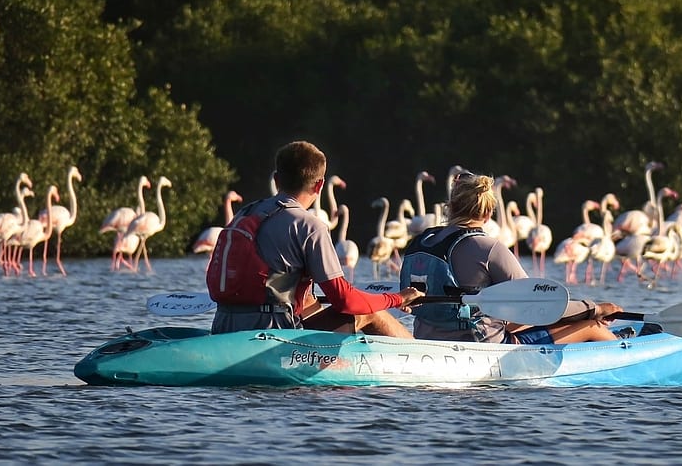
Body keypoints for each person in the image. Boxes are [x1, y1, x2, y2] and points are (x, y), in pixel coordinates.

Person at [211, 140, 424, 336]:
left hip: (223, 326)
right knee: (370, 313)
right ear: (319, 186)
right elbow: (344, 300)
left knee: (311, 303)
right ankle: (419, 360)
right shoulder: (309, 225)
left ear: (277, 180)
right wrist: (396, 298)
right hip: (273, 335)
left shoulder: (245, 213)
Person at [400, 171, 630, 344]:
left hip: (428, 341)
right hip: (483, 348)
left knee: (520, 319)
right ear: (489, 213)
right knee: (590, 325)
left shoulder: (421, 241)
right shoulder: (488, 248)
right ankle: (619, 348)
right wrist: (595, 309)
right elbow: (537, 303)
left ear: (449, 207)